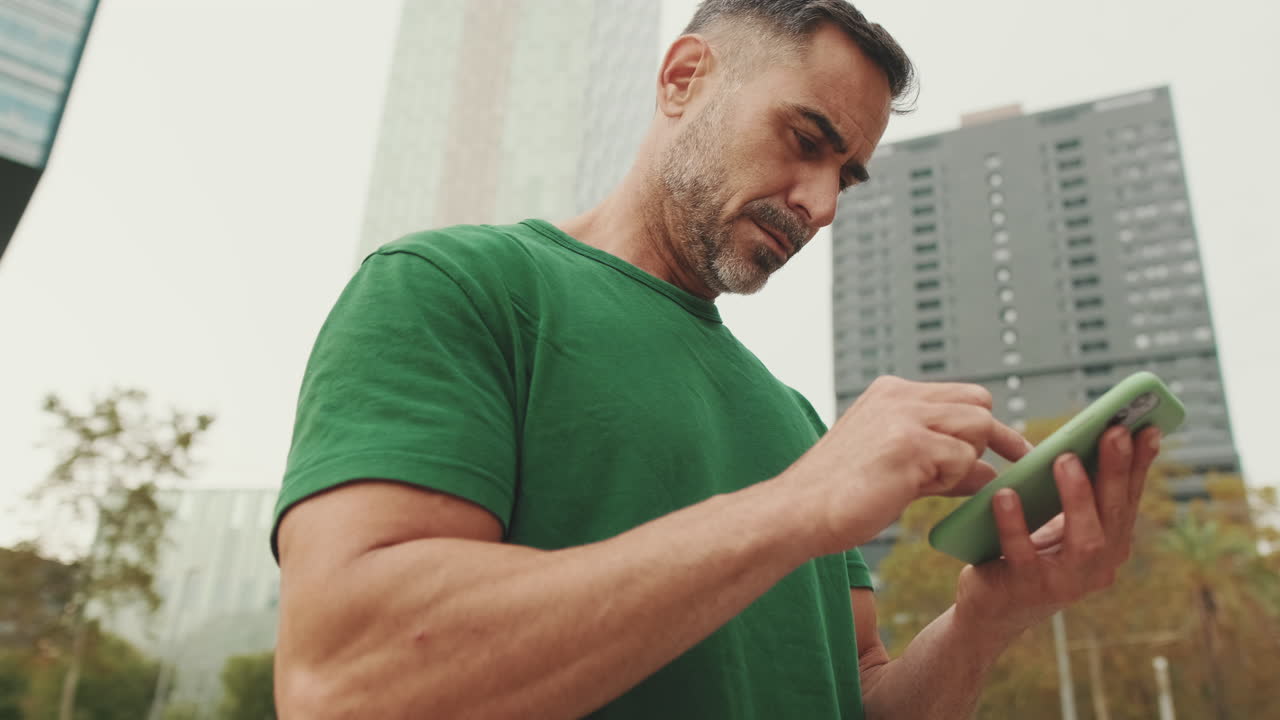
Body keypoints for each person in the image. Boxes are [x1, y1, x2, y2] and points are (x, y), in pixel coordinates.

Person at [271, 1, 1160, 717]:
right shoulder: (456, 288)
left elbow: (853, 695)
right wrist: (799, 505)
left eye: (846, 176)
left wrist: (983, 622)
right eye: (805, 140)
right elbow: (349, 681)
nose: (822, 205)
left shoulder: (799, 423)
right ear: (684, 78)